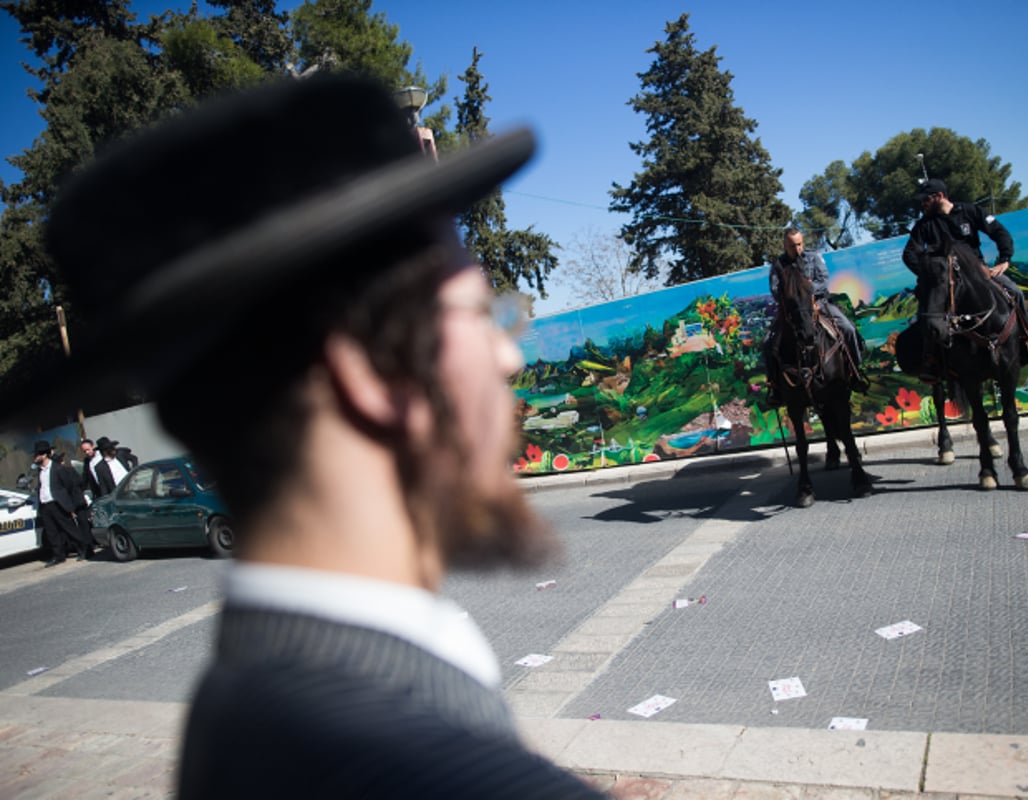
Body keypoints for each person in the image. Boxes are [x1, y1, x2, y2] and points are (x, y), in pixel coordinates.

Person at [21, 75, 605, 798]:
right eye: (482, 312)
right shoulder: (445, 776)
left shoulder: (242, 703)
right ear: (371, 373)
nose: (507, 355)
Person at [902, 178, 1028, 376]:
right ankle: (931, 359)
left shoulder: (970, 211)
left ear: (939, 196)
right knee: (928, 310)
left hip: (978, 273)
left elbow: (1000, 232)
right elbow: (909, 254)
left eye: (925, 200)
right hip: (944, 280)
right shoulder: (923, 226)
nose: (922, 205)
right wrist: (931, 275)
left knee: (1014, 291)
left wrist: (1005, 259)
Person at [765, 227, 869, 402]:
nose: (797, 249)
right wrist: (796, 298)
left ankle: (856, 372)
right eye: (792, 246)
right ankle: (775, 387)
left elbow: (824, 280)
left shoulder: (814, 257)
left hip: (820, 304)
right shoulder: (778, 265)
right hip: (792, 310)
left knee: (848, 328)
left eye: (799, 244)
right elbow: (775, 290)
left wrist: (808, 293)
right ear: (785, 245)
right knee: (768, 342)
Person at [32, 440, 92, 565]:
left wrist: (68, 504)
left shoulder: (57, 468)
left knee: (69, 528)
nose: (35, 457)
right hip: (46, 505)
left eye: (37, 455)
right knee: (52, 532)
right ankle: (58, 555)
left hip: (58, 503)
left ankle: (84, 548)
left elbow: (69, 486)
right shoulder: (40, 470)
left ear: (44, 455)